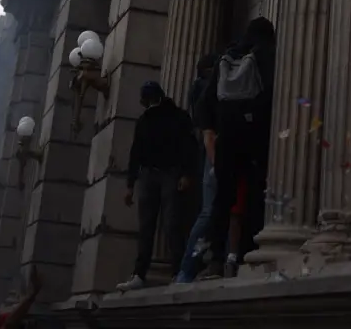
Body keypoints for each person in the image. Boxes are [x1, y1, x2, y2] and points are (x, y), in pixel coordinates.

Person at [194, 17, 276, 279]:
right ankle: (245, 256)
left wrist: (210, 135)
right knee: (254, 197)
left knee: (222, 202)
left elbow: (205, 103)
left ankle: (215, 261)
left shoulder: (226, 58)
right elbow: (276, 94)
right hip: (255, 138)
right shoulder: (267, 54)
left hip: (226, 139)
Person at [118, 80, 197, 291]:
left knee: (171, 225)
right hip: (152, 175)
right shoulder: (146, 120)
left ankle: (177, 270)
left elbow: (188, 147)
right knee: (151, 226)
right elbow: (136, 153)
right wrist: (130, 183)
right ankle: (142, 273)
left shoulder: (177, 117)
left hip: (169, 173)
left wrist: (186, 174)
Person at [175, 54, 224, 283]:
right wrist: (215, 164)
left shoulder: (199, 88)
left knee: (209, 211)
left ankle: (197, 264)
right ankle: (189, 267)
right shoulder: (206, 89)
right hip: (212, 153)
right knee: (209, 211)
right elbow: (207, 132)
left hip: (209, 152)